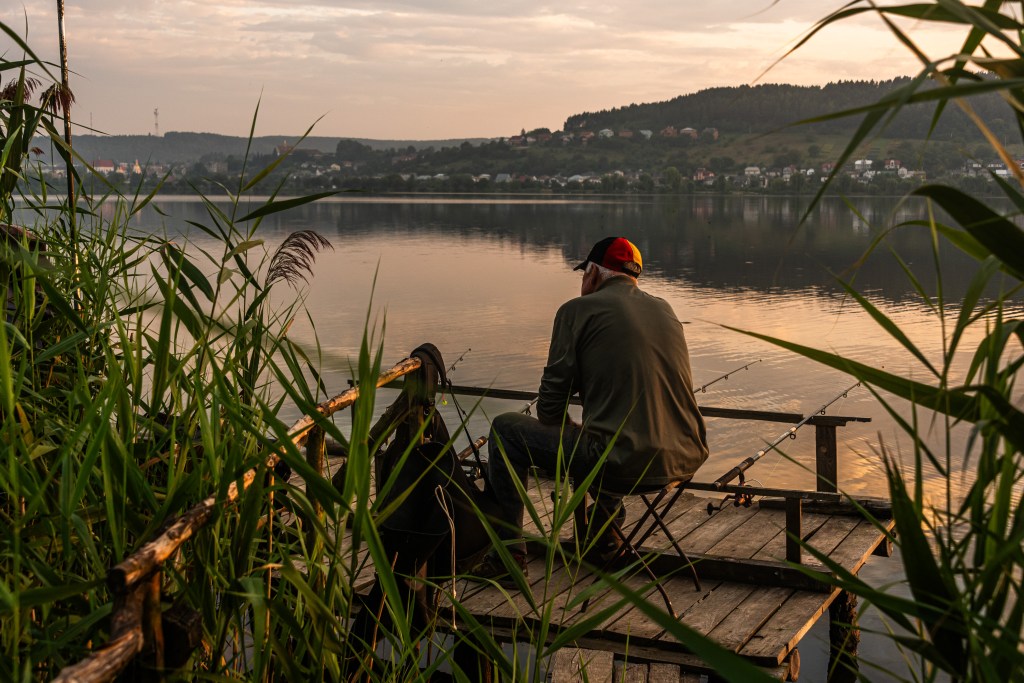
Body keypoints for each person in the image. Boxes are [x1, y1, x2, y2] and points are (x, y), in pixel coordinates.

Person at [472, 236, 709, 585]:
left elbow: (549, 408)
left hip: (622, 464)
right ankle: (603, 536)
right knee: (605, 434)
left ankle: (509, 557)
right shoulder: (665, 310)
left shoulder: (576, 311)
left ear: (594, 273)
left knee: (506, 429)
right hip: (686, 456)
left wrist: (567, 424)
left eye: (584, 274)